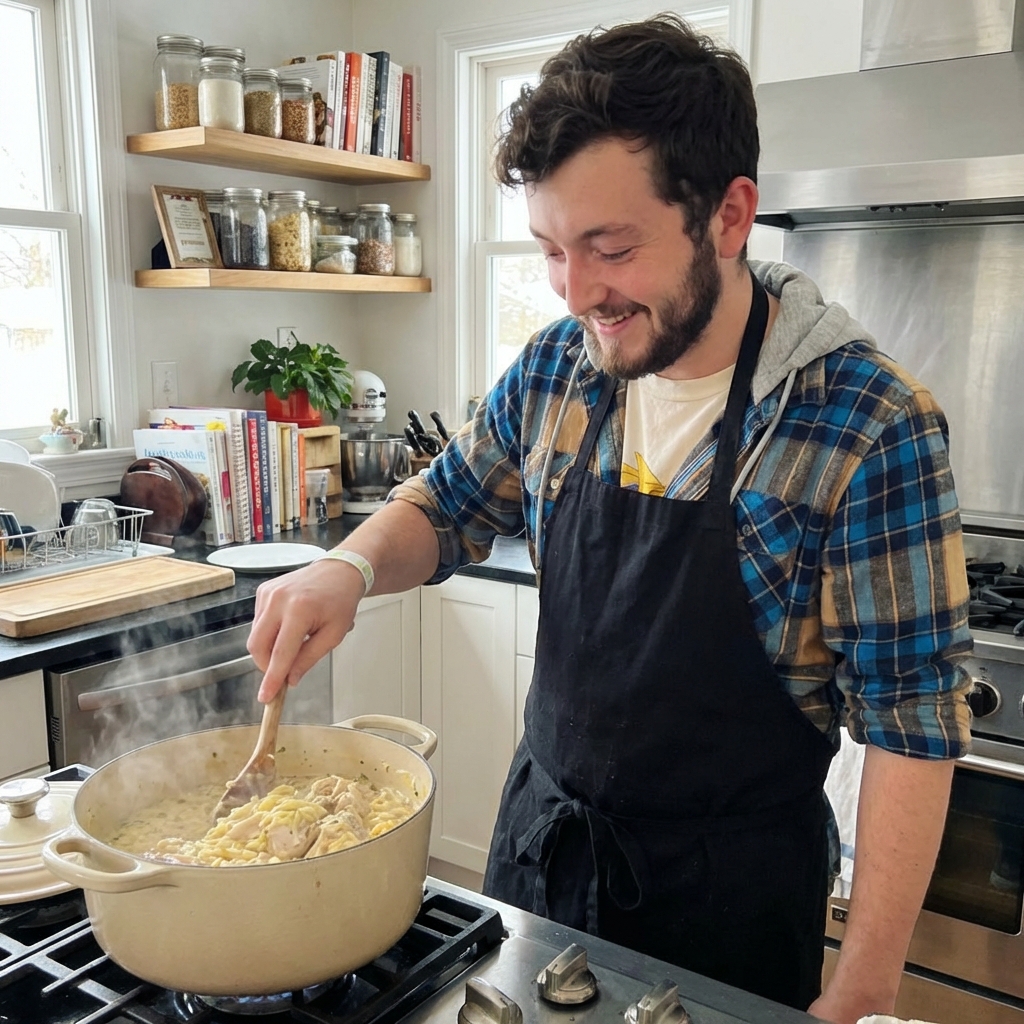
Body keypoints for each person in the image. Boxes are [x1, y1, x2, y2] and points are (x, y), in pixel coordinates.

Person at [247, 15, 972, 1024]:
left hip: (731, 903)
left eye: (610, 247)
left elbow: (910, 723)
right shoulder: (557, 365)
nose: (577, 290)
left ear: (728, 215)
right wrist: (353, 568)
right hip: (540, 855)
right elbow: (447, 503)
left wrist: (858, 992)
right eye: (550, 249)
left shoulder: (862, 423)